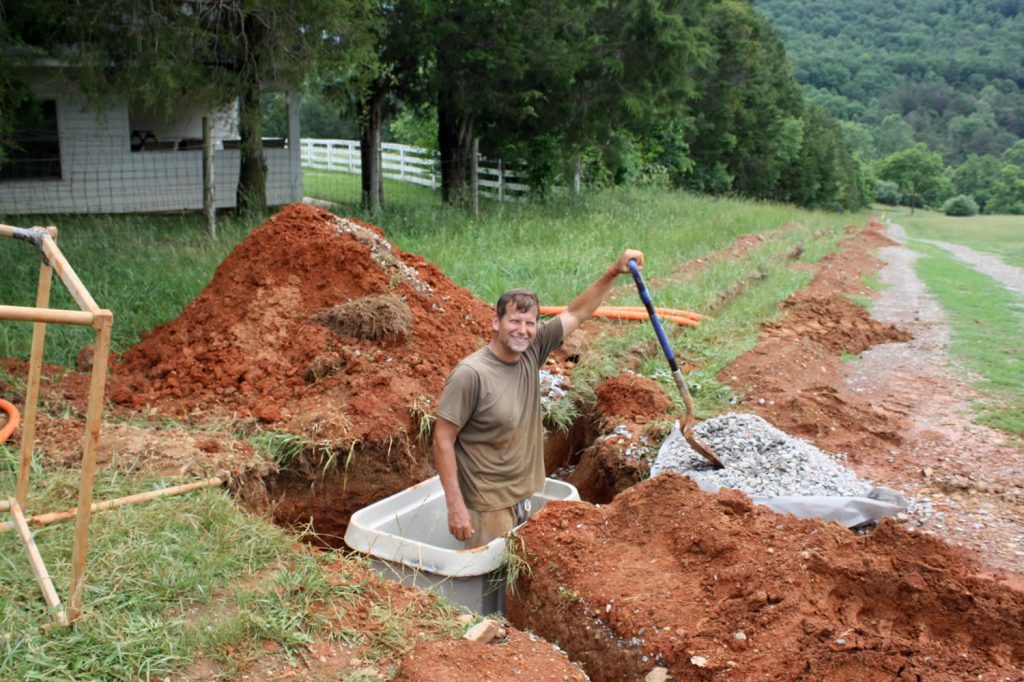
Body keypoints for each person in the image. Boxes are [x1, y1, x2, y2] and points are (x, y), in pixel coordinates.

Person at [433, 249, 645, 548]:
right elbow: (443, 439)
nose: (523, 330)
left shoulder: (532, 351)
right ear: (496, 323)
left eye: (530, 323)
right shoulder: (471, 374)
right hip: (488, 505)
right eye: (515, 321)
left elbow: (577, 313)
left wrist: (612, 271)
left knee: (514, 582)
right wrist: (456, 507)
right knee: (491, 587)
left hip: (523, 494)